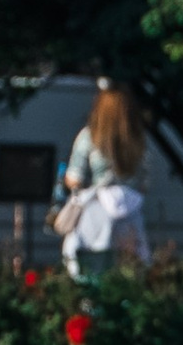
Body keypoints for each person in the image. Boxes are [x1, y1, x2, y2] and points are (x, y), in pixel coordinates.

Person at [60, 86, 152, 279]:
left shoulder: (89, 136)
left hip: (95, 212)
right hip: (130, 212)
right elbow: (144, 183)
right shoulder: (138, 139)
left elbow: (74, 178)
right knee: (127, 271)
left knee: (90, 269)